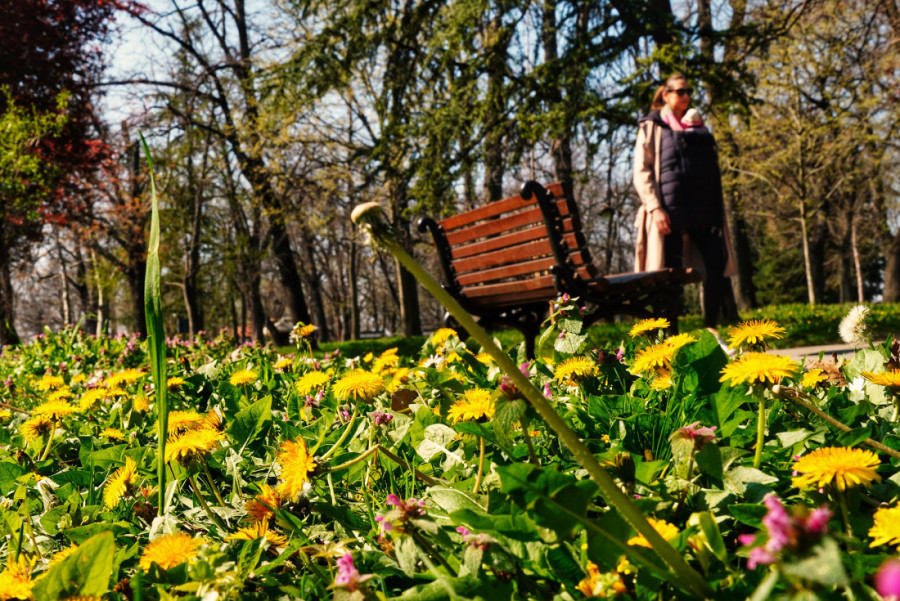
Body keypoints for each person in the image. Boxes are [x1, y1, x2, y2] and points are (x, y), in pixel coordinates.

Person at [632, 73, 736, 346]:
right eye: (680, 91)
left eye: (689, 91)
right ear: (665, 95)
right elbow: (641, 171)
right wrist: (655, 209)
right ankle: (671, 338)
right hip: (669, 214)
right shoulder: (651, 126)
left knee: (716, 264)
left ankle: (711, 329)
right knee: (669, 276)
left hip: (704, 213)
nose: (686, 96)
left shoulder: (699, 127)